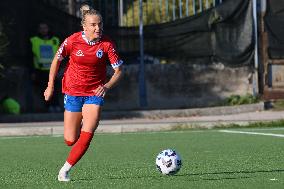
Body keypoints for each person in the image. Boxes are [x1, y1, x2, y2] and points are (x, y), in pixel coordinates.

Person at [44, 5, 123, 182]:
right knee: (70, 140)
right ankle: (78, 129)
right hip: (72, 92)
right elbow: (56, 61)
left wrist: (107, 86)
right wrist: (50, 86)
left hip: (94, 93)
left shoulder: (107, 44)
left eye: (100, 24)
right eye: (93, 25)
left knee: (88, 133)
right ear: (84, 27)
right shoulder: (72, 41)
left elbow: (118, 71)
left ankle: (64, 171)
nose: (98, 28)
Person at [30, 22, 61, 112]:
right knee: (44, 89)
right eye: (41, 28)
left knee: (55, 89)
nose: (43, 30)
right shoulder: (34, 40)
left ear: (48, 29)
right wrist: (33, 71)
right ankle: (48, 106)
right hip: (40, 70)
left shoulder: (55, 40)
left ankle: (56, 105)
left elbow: (60, 55)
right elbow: (30, 57)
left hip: (53, 70)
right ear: (38, 30)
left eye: (45, 28)